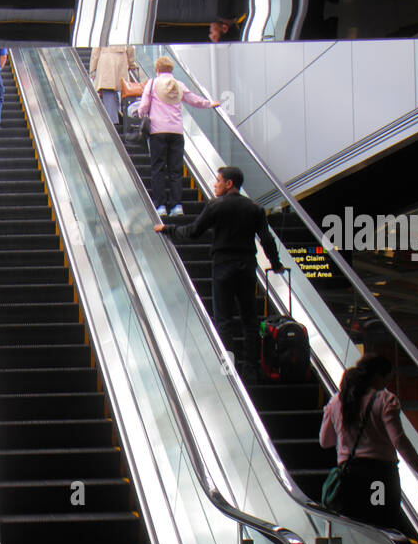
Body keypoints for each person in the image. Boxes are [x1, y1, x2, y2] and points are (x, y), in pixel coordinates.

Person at [154, 166, 283, 377]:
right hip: (247, 267)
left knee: (224, 319)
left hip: (223, 266)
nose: (215, 184)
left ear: (229, 183)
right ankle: (251, 368)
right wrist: (275, 264)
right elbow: (267, 240)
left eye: (218, 180)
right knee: (249, 319)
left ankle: (228, 367)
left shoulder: (216, 206)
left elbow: (193, 231)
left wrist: (167, 229)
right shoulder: (255, 209)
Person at [319, 354, 418, 529]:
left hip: (350, 477)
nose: (387, 384)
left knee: (355, 526)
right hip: (379, 477)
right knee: (381, 523)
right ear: (377, 376)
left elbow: (325, 441)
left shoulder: (336, 401)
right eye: (386, 378)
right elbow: (399, 440)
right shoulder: (385, 400)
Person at [134, 55, 220, 217]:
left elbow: (144, 106)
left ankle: (161, 206)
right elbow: (193, 99)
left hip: (158, 132)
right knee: (175, 169)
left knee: (158, 168)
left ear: (157, 69)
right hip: (177, 132)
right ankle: (177, 206)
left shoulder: (152, 83)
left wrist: (141, 114)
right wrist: (209, 104)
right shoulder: (178, 85)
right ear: (171, 69)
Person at [89, 46, 138, 122]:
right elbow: (130, 48)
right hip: (121, 60)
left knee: (108, 90)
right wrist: (132, 64)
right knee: (120, 90)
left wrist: (92, 69)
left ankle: (113, 120)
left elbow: (95, 52)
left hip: (105, 61)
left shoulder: (101, 33)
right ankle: (120, 117)